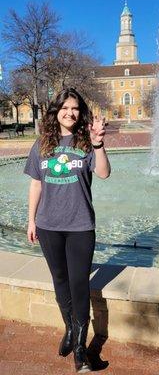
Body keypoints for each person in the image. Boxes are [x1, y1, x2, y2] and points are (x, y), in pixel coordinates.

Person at [24, 88, 111, 373]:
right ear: (56, 111)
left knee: (78, 284)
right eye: (65, 108)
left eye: (75, 108)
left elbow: (104, 173)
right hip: (49, 225)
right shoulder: (42, 144)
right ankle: (70, 329)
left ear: (80, 111)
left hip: (80, 226)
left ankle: (80, 349)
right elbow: (36, 184)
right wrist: (31, 220)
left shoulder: (85, 141)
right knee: (60, 280)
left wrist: (98, 144)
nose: (70, 113)